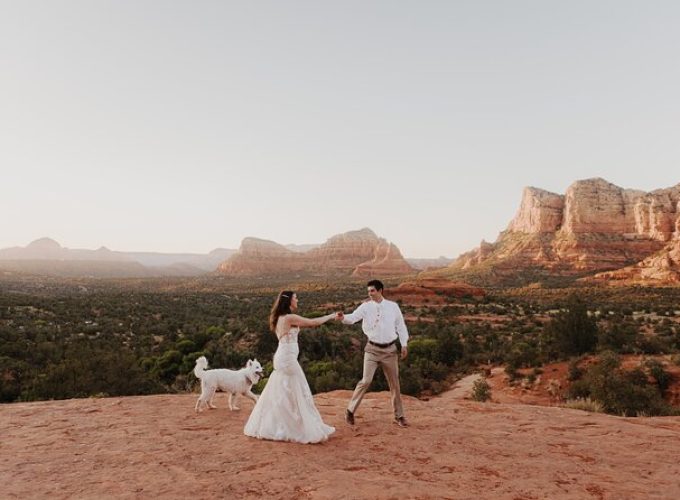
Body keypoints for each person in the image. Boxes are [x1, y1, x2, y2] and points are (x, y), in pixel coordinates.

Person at [244, 290, 338, 443]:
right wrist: (331, 316)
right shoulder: (289, 318)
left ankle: (280, 425)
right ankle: (298, 427)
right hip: (287, 359)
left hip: (283, 356)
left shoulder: (279, 318)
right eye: (295, 298)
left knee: (283, 391)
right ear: (289, 301)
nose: (298, 300)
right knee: (299, 391)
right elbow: (313, 322)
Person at [339, 279, 409, 427]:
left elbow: (401, 326)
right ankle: (350, 411)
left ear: (380, 290)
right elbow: (352, 318)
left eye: (372, 291)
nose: (370, 294)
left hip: (390, 350)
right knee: (366, 380)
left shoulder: (393, 307)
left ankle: (399, 416)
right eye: (368, 291)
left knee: (395, 384)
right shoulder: (365, 307)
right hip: (372, 349)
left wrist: (404, 344)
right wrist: (343, 317)